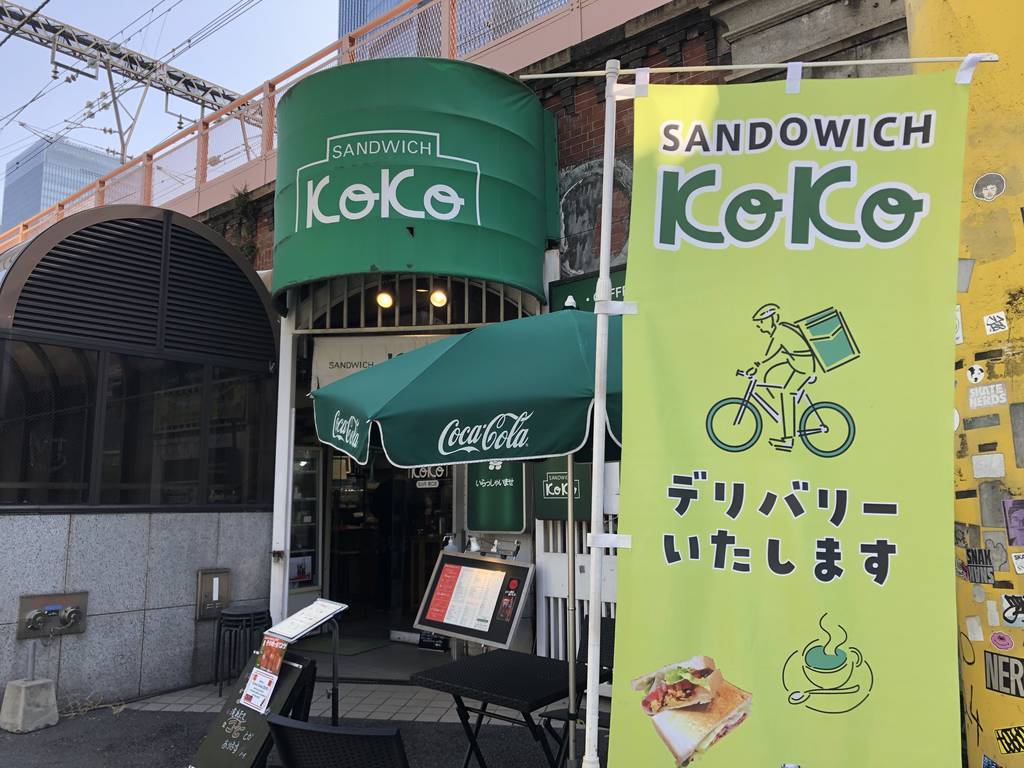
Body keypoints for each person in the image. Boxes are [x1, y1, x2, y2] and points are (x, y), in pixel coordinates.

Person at [747, 304, 817, 451]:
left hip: (803, 366)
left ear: (772, 320)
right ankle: (781, 410)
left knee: (786, 395)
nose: (759, 326)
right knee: (771, 376)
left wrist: (756, 367)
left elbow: (769, 354)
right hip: (796, 362)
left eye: (762, 321)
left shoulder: (780, 333)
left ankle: (788, 440)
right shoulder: (782, 329)